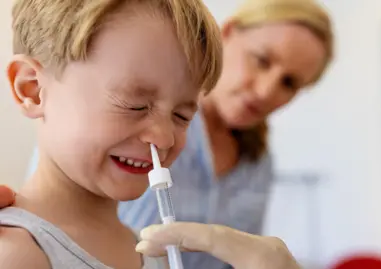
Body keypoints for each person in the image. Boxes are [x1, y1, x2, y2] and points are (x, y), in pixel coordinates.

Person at [24, 0, 334, 268]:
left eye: (289, 82)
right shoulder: (108, 136)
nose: (266, 90)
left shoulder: (258, 164)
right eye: (262, 59)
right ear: (229, 33)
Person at [0, 0, 222, 268]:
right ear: (33, 89)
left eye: (182, 117)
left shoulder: (150, 251)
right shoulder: (16, 252)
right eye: (135, 105)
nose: (165, 139)